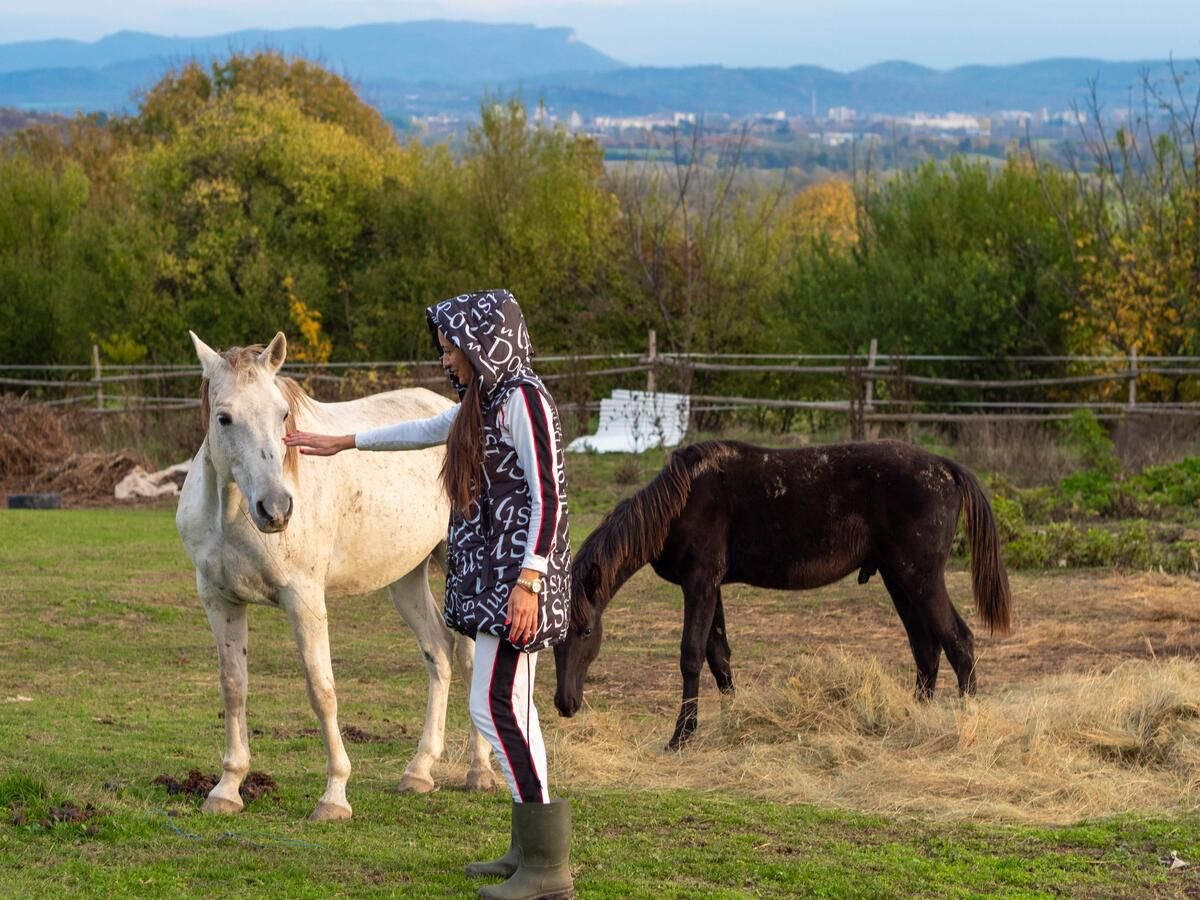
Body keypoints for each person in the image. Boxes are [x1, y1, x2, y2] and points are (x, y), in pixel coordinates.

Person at [284, 289, 574, 900]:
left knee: (497, 709)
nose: (445, 359)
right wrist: (345, 443)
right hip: (502, 575)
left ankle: (548, 869)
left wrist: (530, 580)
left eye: (452, 348)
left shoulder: (525, 400)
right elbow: (423, 428)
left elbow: (551, 496)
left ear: (482, 344)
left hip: (518, 578)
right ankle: (529, 849)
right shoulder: (484, 402)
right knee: (506, 708)